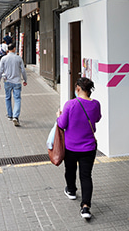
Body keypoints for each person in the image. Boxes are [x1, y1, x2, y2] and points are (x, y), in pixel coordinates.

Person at [56, 77, 101, 220]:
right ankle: (86, 207)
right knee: (86, 176)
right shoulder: (96, 104)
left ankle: (71, 191)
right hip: (89, 148)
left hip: (71, 148)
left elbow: (62, 124)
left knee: (70, 170)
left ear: (78, 89)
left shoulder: (70, 104)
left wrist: (59, 115)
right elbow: (97, 118)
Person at [0, 42, 27, 126]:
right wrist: (25, 80)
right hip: (17, 82)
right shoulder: (19, 58)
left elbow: (0, 71)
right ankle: (15, 116)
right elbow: (23, 70)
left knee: (7, 98)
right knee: (17, 99)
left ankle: (10, 115)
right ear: (14, 49)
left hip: (7, 81)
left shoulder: (3, 58)